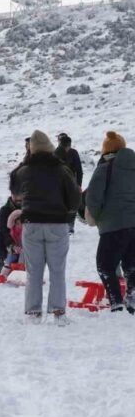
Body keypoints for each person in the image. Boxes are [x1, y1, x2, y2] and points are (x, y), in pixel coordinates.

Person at [12, 130, 81, 325]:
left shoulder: (25, 170)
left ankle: (33, 313)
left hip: (31, 223)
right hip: (57, 224)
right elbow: (75, 198)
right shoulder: (61, 169)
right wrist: (67, 213)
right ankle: (58, 312)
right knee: (57, 270)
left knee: (34, 271)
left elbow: (15, 190)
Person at [86, 131, 135, 313]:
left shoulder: (105, 168)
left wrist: (99, 217)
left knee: (105, 265)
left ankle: (116, 303)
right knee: (131, 264)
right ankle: (132, 298)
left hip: (113, 225)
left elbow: (93, 199)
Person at [0, 194, 22, 279]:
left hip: (27, 248)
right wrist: (11, 245)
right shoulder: (5, 210)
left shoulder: (31, 209)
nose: (18, 197)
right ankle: (0, 268)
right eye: (16, 194)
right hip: (10, 247)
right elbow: (3, 231)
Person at [55, 134, 83, 235]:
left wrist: (79, 184)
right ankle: (63, 225)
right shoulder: (55, 153)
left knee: (72, 204)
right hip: (62, 184)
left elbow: (79, 170)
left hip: (70, 183)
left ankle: (69, 227)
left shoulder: (73, 153)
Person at [0, 209, 23, 282]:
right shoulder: (12, 232)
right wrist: (13, 248)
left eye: (21, 223)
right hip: (15, 250)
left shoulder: (27, 232)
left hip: (26, 252)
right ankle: (3, 274)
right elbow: (9, 242)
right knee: (10, 257)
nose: (19, 225)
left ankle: (24, 275)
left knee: (23, 259)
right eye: (17, 223)